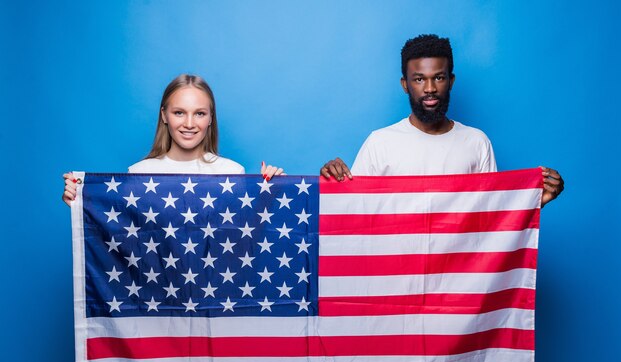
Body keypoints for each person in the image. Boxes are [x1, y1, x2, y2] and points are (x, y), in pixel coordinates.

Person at [320, 34, 564, 206]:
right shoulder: (379, 143)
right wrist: (332, 182)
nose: (429, 88)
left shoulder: (476, 142)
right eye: (419, 79)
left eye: (438, 78)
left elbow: (490, 216)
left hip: (458, 275)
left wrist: (533, 203)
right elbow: (354, 211)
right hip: (398, 275)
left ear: (451, 81)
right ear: (405, 85)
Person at [63, 74, 282, 205]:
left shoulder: (232, 172)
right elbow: (122, 236)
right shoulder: (139, 173)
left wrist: (271, 194)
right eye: (179, 112)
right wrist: (82, 201)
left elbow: (245, 237)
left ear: (210, 118)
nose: (189, 123)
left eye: (199, 113)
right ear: (164, 115)